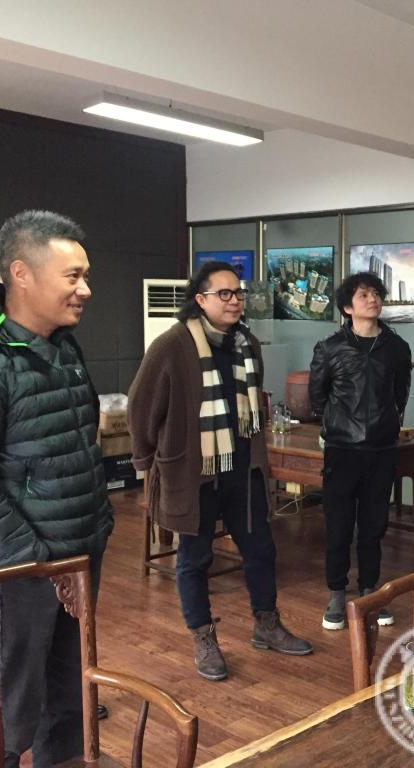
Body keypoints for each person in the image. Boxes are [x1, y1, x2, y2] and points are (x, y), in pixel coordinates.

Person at [0, 209, 114, 767]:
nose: (85, 289)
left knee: (70, 697)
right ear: (22, 275)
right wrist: (31, 560)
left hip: (75, 557)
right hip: (16, 570)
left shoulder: (63, 348)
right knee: (8, 711)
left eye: (85, 276)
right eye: (73, 276)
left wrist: (95, 525)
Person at [129, 261, 312, 681]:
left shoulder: (247, 343)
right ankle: (203, 636)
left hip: (243, 466)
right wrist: (144, 462)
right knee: (195, 558)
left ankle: (266, 623)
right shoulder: (172, 344)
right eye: (224, 294)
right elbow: (141, 405)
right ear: (200, 299)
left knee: (260, 548)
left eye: (238, 293)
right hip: (194, 471)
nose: (234, 301)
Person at [309, 272, 411, 631]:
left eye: (376, 294)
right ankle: (337, 593)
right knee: (338, 526)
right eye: (364, 295)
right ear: (348, 307)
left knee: (374, 526)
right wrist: (338, 425)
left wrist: (387, 426)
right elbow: (317, 397)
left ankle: (370, 590)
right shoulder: (330, 347)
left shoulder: (396, 347)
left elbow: (400, 394)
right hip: (342, 450)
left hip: (382, 449)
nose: (373, 300)